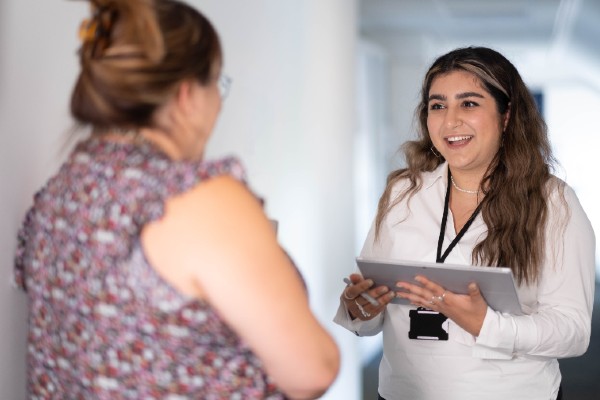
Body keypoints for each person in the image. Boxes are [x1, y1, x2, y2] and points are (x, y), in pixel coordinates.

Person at [14, 0, 339, 398]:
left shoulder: (57, 194)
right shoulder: (193, 199)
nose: (219, 103)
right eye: (218, 85)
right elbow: (313, 371)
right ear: (187, 95)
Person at [334, 46, 595, 400]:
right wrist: (359, 307)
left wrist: (487, 325)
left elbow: (573, 332)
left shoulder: (554, 202)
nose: (450, 121)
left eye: (469, 104)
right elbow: (370, 314)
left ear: (506, 116)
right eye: (437, 106)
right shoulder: (402, 193)